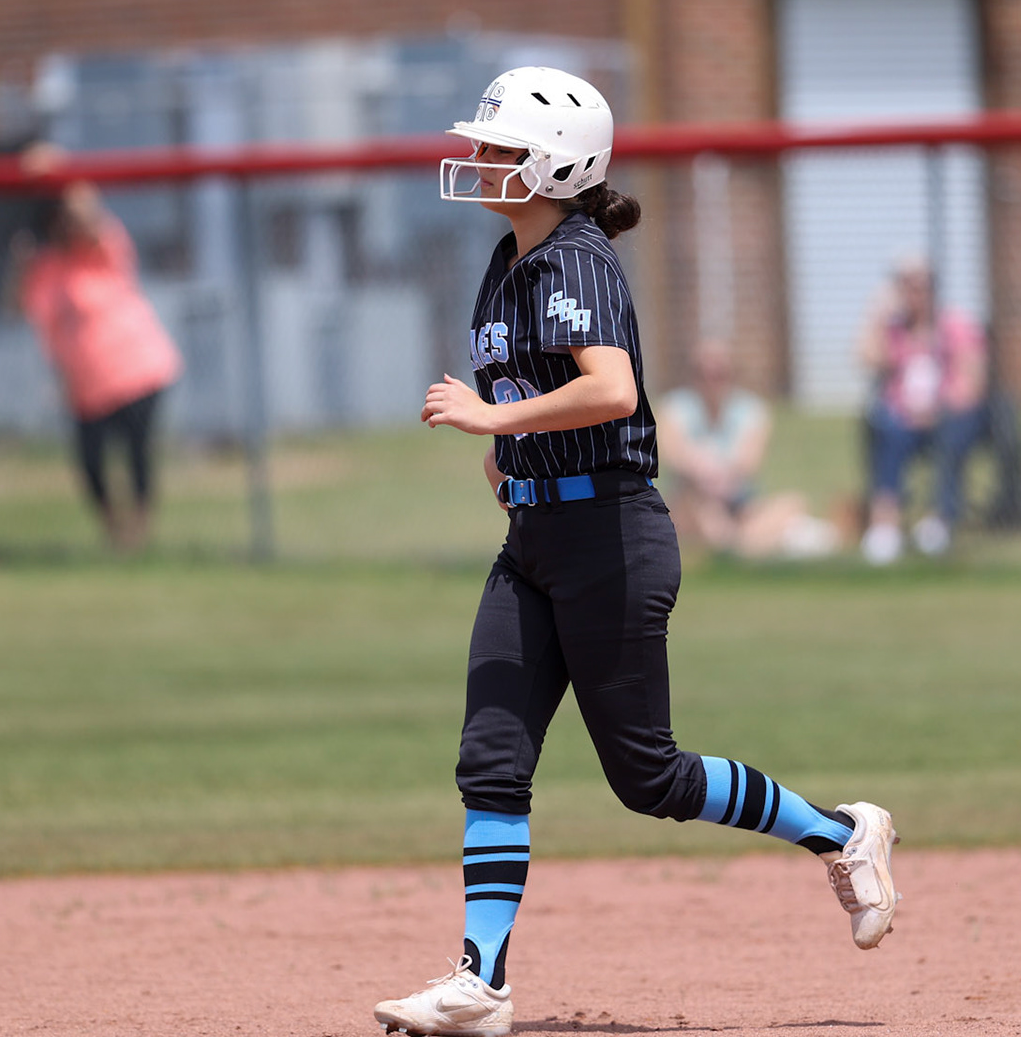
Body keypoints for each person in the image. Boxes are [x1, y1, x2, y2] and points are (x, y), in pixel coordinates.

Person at [376, 67, 899, 1037]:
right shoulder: (508, 255)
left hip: (612, 537)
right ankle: (479, 982)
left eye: (498, 147)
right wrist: (509, 447)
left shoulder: (576, 259)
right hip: (533, 536)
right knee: (491, 758)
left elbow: (612, 389)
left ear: (551, 163)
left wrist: (495, 412)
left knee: (647, 777)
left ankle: (842, 830)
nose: (479, 159)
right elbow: (543, 384)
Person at [11, 151, 181, 552]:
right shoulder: (45, 265)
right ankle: (115, 531)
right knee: (90, 463)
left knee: (137, 452)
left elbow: (89, 216)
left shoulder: (102, 248)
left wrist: (60, 174)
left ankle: (139, 532)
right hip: (85, 385)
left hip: (136, 369)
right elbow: (24, 308)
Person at [857, 257, 988, 565]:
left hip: (949, 414)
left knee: (953, 431)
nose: (913, 295)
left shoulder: (956, 325)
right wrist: (875, 313)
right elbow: (867, 359)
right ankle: (885, 525)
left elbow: (973, 381)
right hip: (904, 418)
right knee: (887, 426)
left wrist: (938, 409)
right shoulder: (893, 330)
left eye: (920, 287)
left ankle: (941, 518)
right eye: (906, 287)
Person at [658, 338, 836, 559]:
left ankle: (734, 545)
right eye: (703, 373)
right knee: (702, 507)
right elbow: (673, 454)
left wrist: (719, 475)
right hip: (691, 502)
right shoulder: (674, 408)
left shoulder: (753, 411)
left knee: (794, 503)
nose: (711, 381)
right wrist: (701, 473)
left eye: (719, 373)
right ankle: (745, 545)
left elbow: (748, 463)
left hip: (740, 505)